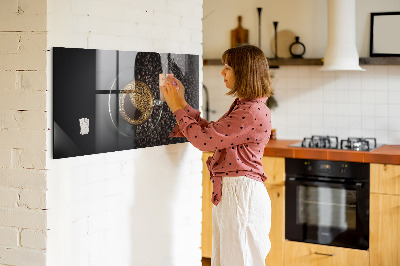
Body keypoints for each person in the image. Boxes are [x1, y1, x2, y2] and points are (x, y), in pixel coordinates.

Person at [161, 44, 273, 266]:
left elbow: (204, 141)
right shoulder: (246, 106)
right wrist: (182, 103)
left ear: (244, 72)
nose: (222, 72)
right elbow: (212, 133)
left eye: (228, 67)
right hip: (236, 193)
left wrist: (176, 108)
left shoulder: (250, 111)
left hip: (241, 195)